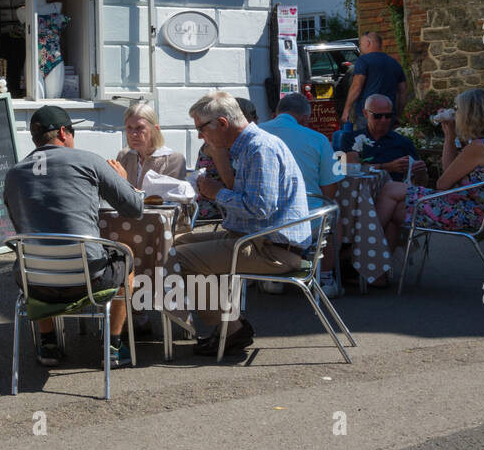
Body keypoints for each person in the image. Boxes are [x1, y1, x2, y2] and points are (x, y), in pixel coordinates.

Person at [168, 92, 311, 356]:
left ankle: (231, 329)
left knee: (178, 258)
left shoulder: (260, 148)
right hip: (255, 238)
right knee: (175, 244)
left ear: (222, 123)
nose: (200, 136)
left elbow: (260, 207)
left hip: (272, 249)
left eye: (201, 128)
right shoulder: (248, 146)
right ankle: (227, 324)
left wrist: (216, 192)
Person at [3, 105, 144, 369]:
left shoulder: (13, 174)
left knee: (30, 254)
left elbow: (20, 226)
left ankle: (48, 343)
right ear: (64, 133)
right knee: (125, 251)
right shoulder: (89, 161)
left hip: (38, 283)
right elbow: (135, 208)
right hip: (88, 280)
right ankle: (113, 345)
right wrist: (124, 181)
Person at [376, 88, 484, 257]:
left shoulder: (478, 147)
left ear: (470, 114)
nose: (455, 113)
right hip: (479, 213)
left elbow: (442, 184)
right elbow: (451, 171)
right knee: (393, 202)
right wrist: (450, 135)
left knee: (389, 194)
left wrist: (451, 133)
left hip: (465, 214)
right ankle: (376, 269)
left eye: (457, 109)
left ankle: (362, 251)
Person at [259, 92, 346, 296]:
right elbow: (330, 189)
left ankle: (274, 274)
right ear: (305, 118)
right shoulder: (318, 139)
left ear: (276, 113)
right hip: (306, 218)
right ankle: (325, 278)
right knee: (333, 215)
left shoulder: (257, 133)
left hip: (262, 218)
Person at [341, 94, 427, 184]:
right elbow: (351, 170)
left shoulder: (403, 142)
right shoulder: (351, 138)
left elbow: (420, 183)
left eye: (388, 116)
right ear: (365, 114)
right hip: (362, 192)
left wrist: (420, 173)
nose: (383, 120)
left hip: (395, 192)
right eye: (377, 116)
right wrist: (388, 167)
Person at [341, 32, 407, 126]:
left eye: (360, 44)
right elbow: (402, 92)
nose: (360, 46)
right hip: (388, 115)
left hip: (367, 115)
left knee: (366, 140)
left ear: (368, 43)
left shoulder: (363, 60)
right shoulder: (394, 63)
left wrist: (346, 110)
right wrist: (397, 114)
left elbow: (356, 87)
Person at [116, 100, 186, 187]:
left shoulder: (173, 160)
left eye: (139, 127)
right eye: (129, 127)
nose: (133, 134)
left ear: (154, 129)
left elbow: (166, 197)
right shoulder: (124, 156)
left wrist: (125, 186)